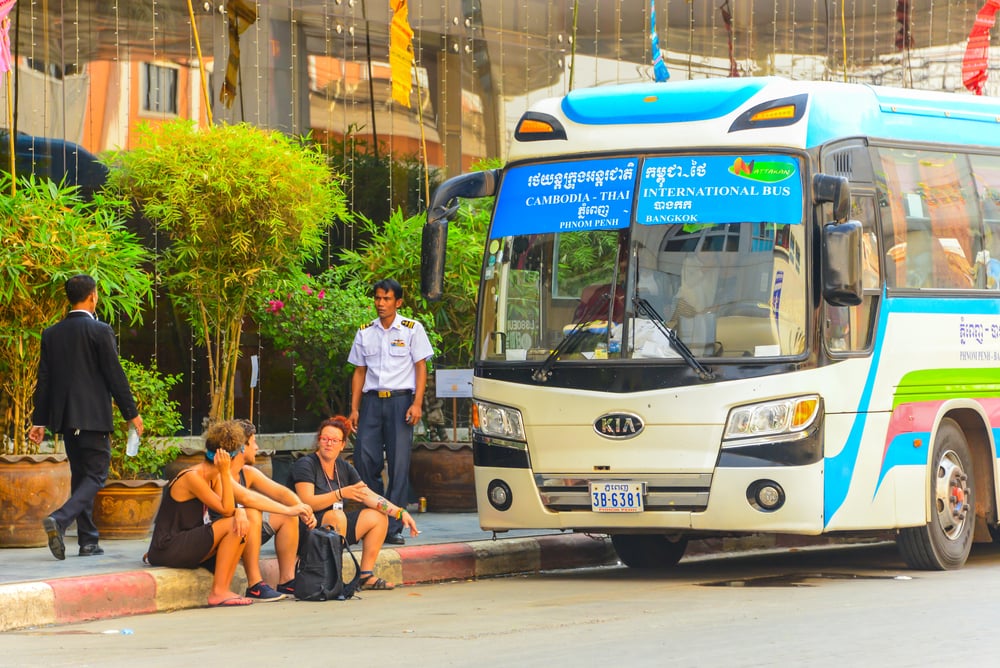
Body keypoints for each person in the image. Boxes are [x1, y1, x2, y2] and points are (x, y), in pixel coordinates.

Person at [29, 274, 144, 560]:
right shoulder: (100, 331)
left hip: (67, 421)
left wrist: (39, 421)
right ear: (93, 297)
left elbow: (44, 381)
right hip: (93, 419)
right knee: (95, 475)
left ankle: (88, 541)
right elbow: (115, 376)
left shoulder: (51, 333)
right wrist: (132, 413)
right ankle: (61, 518)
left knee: (82, 477)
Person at [347, 278, 433, 545]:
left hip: (400, 402)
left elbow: (421, 367)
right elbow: (359, 371)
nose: (380, 303)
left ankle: (393, 526)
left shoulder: (411, 329)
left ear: (398, 302)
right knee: (364, 460)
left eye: (386, 299)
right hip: (372, 402)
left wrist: (417, 403)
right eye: (377, 298)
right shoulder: (365, 332)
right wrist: (354, 409)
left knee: (398, 464)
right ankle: (376, 517)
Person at [291, 416, 419, 591]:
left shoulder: (343, 467)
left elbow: (369, 496)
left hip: (337, 526)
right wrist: (340, 493)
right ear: (319, 441)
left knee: (377, 516)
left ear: (342, 445)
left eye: (334, 440)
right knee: (337, 515)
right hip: (309, 529)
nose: (329, 444)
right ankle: (334, 578)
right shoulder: (306, 464)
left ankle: (365, 575)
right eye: (325, 439)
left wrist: (399, 512)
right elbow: (307, 502)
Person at [145, 420, 253, 607]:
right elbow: (227, 511)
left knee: (242, 521)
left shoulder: (215, 477)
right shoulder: (192, 477)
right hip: (167, 547)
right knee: (232, 523)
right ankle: (218, 592)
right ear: (231, 457)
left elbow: (228, 507)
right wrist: (226, 474)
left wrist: (240, 512)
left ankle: (223, 588)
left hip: (185, 544)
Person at [227, 419, 317, 601]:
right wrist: (291, 509)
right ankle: (255, 585)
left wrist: (304, 510)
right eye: (253, 442)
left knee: (286, 514)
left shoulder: (247, 472)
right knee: (253, 512)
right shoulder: (222, 472)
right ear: (241, 447)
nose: (257, 448)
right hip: (224, 537)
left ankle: (287, 580)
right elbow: (248, 498)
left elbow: (281, 492)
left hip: (242, 535)